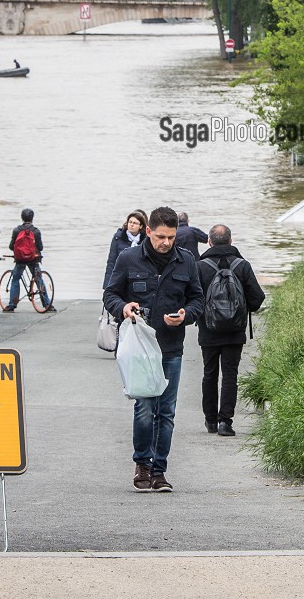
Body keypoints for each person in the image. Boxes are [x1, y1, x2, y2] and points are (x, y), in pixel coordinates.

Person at [103, 206, 204, 493]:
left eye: (171, 237)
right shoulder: (128, 258)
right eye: (161, 236)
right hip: (139, 348)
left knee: (167, 412)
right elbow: (110, 294)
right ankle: (142, 464)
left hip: (171, 347)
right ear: (149, 231)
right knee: (145, 407)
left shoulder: (186, 261)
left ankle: (160, 471)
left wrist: (187, 314)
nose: (166, 243)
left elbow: (198, 298)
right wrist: (123, 307)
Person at [196, 224, 266, 437]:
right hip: (235, 331)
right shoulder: (242, 265)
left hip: (208, 330)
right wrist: (241, 309)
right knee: (230, 375)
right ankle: (225, 422)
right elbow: (257, 298)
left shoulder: (200, 266)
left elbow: (194, 298)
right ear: (231, 240)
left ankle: (210, 421)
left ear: (209, 241)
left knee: (209, 374)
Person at [3, 208, 50, 312]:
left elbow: (11, 246)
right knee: (38, 280)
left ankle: (11, 305)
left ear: (22, 217)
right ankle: (47, 304)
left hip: (20, 260)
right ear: (32, 218)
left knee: (15, 279)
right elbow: (40, 247)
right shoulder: (36, 231)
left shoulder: (16, 230)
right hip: (33, 259)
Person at [104, 209, 148, 290]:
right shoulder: (118, 237)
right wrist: (107, 284)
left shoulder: (146, 240)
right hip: (120, 276)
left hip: (139, 278)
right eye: (130, 222)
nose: (131, 225)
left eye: (135, 223)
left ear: (141, 226)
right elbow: (111, 261)